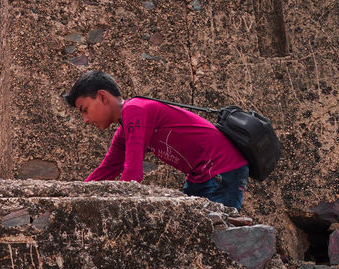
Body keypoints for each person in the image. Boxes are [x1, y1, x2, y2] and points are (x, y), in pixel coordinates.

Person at [64, 70, 250, 210]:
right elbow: (105, 171)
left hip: (222, 169)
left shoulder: (135, 109)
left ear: (102, 96)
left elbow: (132, 175)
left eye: (85, 109)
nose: (86, 120)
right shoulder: (123, 131)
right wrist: (70, 198)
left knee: (219, 242)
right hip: (199, 176)